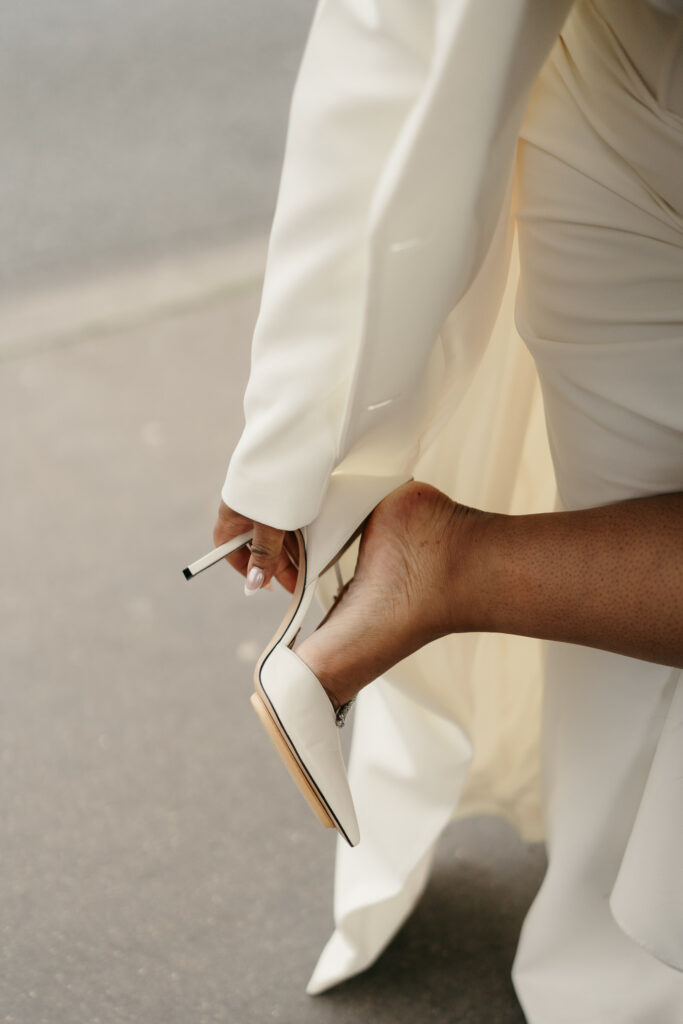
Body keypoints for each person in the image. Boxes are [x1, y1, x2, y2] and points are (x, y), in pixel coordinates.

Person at [204, 0, 683, 1019]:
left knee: (625, 633)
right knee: (627, 607)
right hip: (616, 104)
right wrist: (286, 436)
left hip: (615, 109)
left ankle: (608, 988)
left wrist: (287, 438)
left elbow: (388, 27)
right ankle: (448, 565)